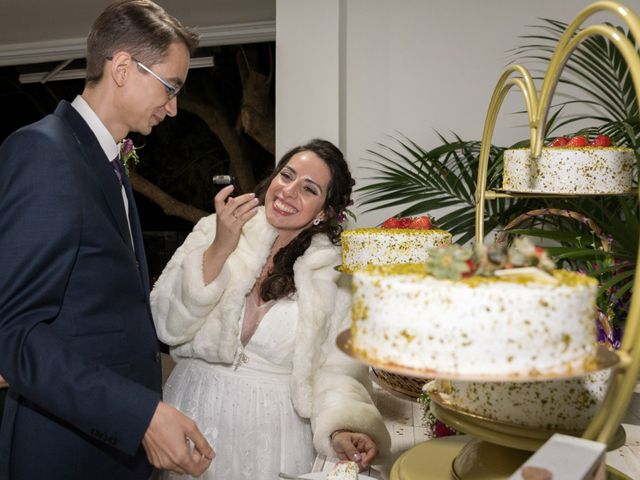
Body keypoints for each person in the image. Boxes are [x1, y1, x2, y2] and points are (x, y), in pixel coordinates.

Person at [0, 1, 214, 479]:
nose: (174, 107)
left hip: (110, 451)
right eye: (170, 86)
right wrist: (139, 415)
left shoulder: (109, 164)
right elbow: (14, 333)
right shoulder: (44, 152)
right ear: (121, 68)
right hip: (64, 452)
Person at [151, 139, 391, 479]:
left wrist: (340, 428)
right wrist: (220, 248)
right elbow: (166, 325)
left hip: (274, 436)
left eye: (308, 189)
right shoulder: (212, 230)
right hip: (192, 411)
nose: (289, 191)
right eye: (286, 175)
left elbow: (337, 372)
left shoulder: (332, 276)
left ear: (323, 211)